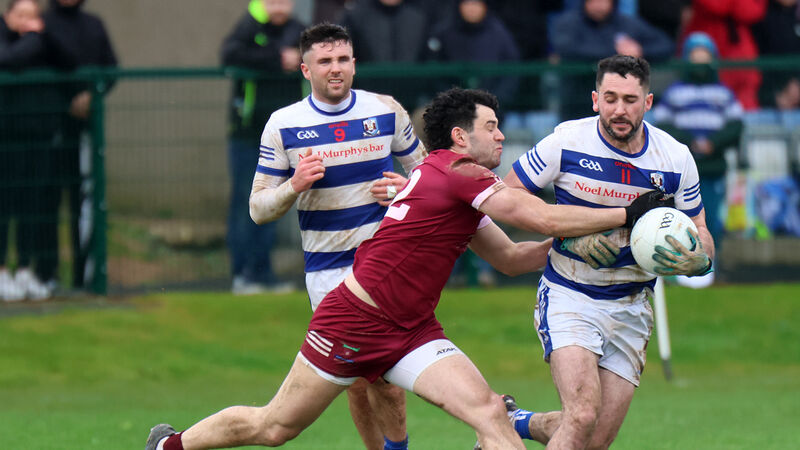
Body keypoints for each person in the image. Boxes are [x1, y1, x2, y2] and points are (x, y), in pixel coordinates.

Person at [144, 86, 673, 450]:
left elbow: (512, 256)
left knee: (489, 412)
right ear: (461, 138)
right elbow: (532, 214)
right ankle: (171, 444)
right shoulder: (459, 174)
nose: (501, 136)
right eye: (491, 127)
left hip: (413, 330)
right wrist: (628, 214)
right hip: (352, 320)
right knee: (275, 426)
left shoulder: (462, 186)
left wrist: (583, 248)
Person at [496, 55, 715, 449]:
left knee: (592, 439)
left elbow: (700, 230)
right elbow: (507, 196)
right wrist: (567, 238)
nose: (619, 109)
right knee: (580, 414)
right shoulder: (566, 141)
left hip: (632, 306)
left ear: (647, 103)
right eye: (610, 98)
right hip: (570, 293)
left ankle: (513, 423)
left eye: (630, 100)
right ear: (595, 99)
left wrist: (701, 260)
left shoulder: (675, 158)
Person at [233, 22, 426, 450]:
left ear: (355, 64)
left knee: (384, 377)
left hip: (383, 262)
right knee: (356, 381)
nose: (334, 69)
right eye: (325, 61)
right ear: (305, 70)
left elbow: (428, 176)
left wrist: (402, 189)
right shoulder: (284, 125)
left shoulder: (385, 110)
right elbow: (258, 209)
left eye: (342, 59)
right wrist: (294, 186)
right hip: (327, 271)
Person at [220, 0, 304, 295]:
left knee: (273, 204)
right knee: (246, 202)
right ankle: (242, 273)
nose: (279, 7)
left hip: (283, 138)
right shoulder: (249, 27)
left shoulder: (299, 31)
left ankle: (263, 273)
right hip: (248, 133)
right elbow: (229, 55)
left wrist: (298, 59)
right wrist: (277, 58)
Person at [653, 32, 743, 287]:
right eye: (695, 57)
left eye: (705, 57)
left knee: (712, 218)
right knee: (678, 219)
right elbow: (664, 124)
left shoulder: (723, 93)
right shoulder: (675, 93)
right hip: (682, 171)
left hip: (713, 167)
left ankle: (708, 267)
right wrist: (690, 144)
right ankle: (674, 268)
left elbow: (736, 125)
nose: (700, 63)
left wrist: (712, 143)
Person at [0, 0, 74, 301]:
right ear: (8, 16)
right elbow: (9, 60)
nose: (27, 21)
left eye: (33, 16)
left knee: (34, 206)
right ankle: (2, 270)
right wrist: (32, 38)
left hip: (40, 135)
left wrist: (44, 36)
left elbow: (71, 62)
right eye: (21, 15)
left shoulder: (46, 42)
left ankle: (26, 270)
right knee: (5, 206)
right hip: (6, 136)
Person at [42, 0, 117, 291]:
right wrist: (65, 103)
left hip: (86, 133)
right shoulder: (43, 24)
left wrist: (91, 95)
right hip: (49, 132)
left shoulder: (93, 25)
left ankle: (83, 277)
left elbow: (111, 69)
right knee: (46, 202)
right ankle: (46, 275)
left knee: (84, 204)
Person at [551, 0, 673, 120]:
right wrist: (617, 54)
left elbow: (665, 45)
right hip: (577, 101)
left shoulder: (626, 23)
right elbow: (567, 48)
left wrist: (640, 50)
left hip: (620, 102)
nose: (598, 5)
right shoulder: (569, 23)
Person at [680, 0, 767, 110]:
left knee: (747, 107)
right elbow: (715, 5)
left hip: (741, 52)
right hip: (704, 47)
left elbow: (753, 10)